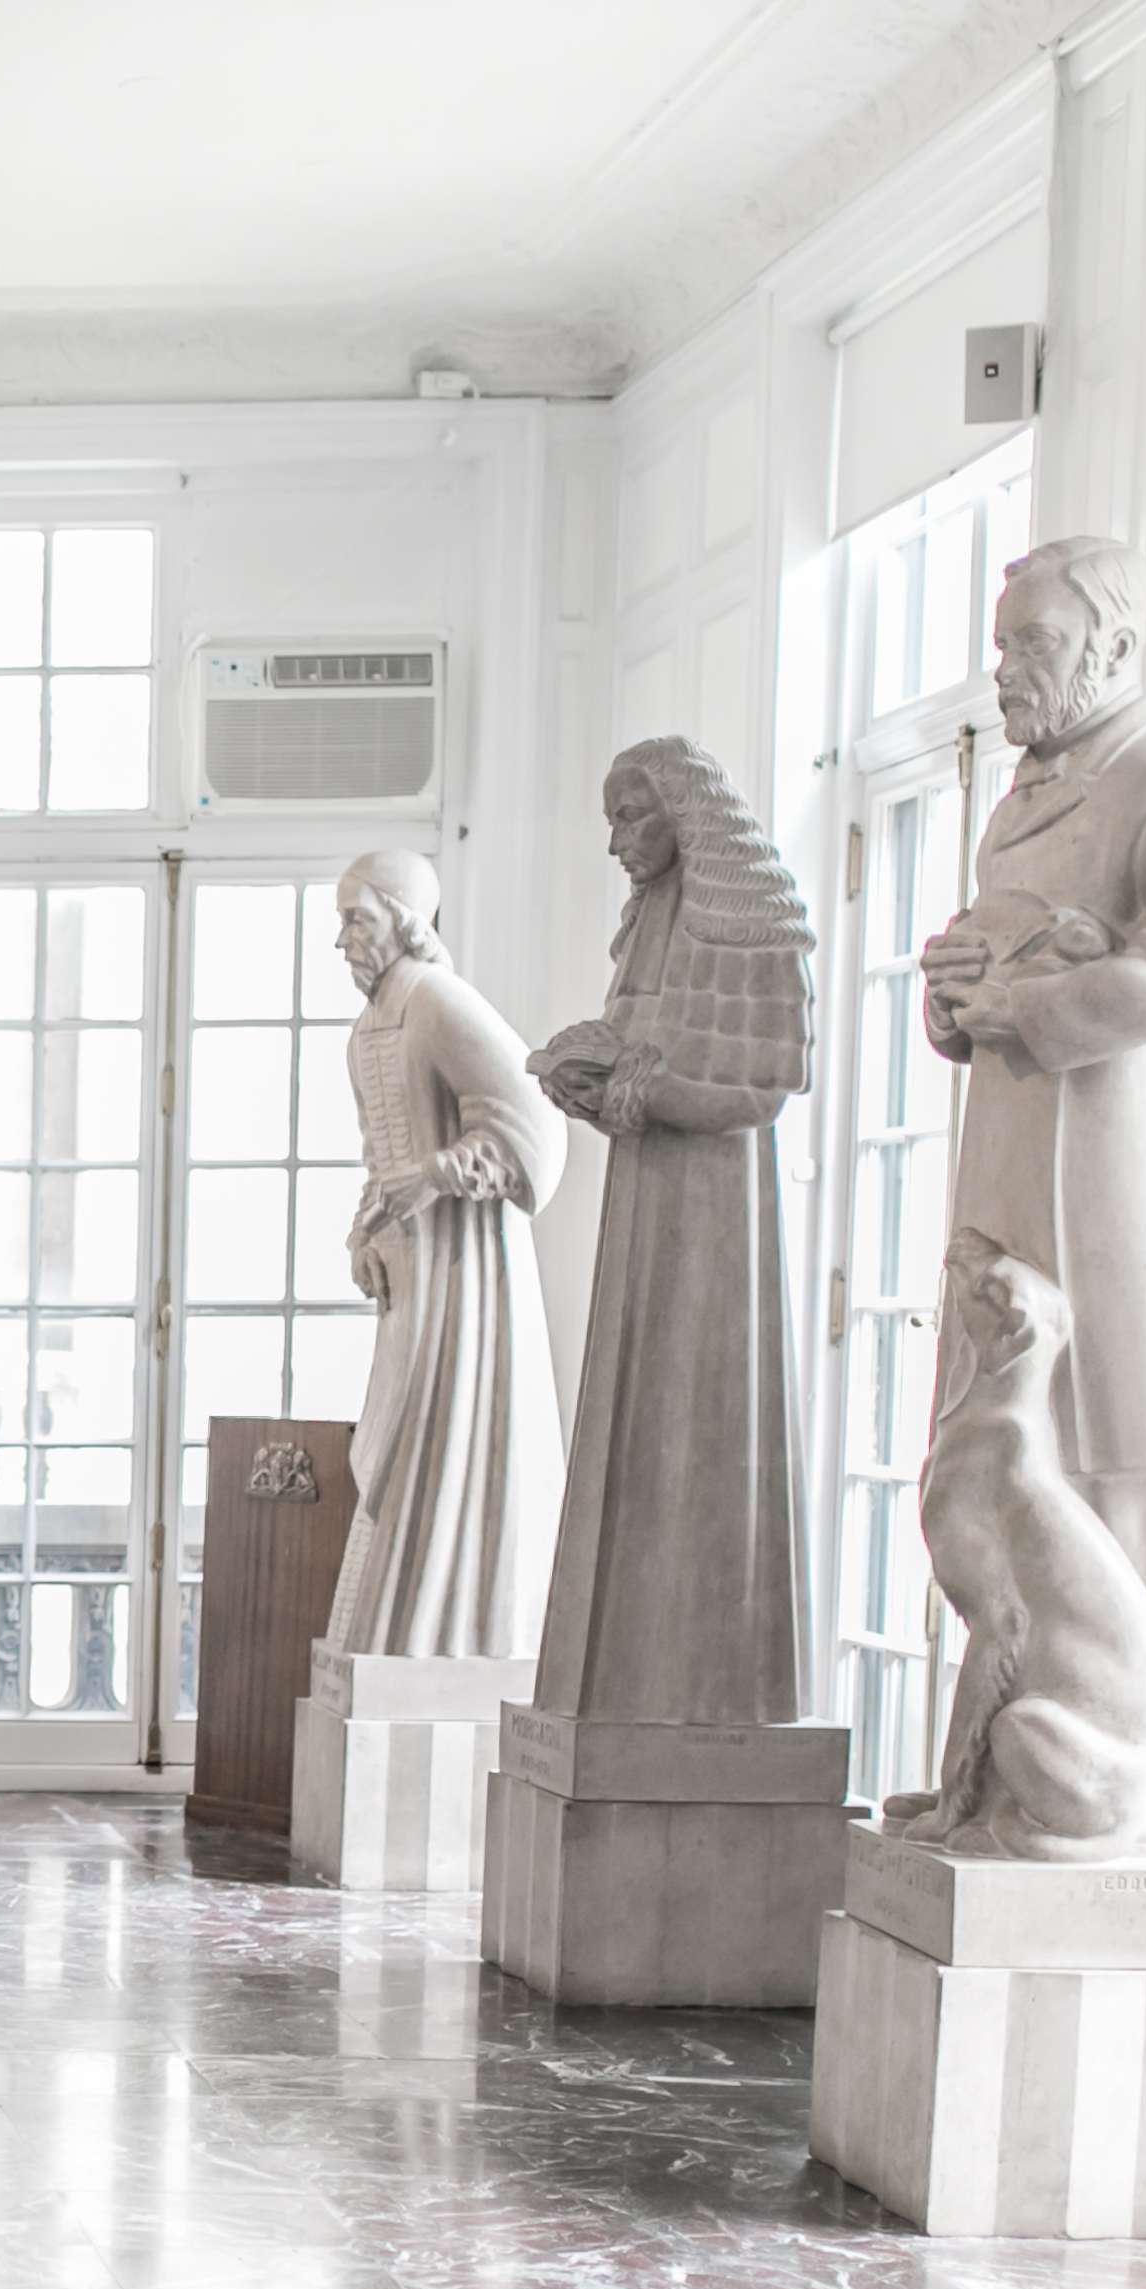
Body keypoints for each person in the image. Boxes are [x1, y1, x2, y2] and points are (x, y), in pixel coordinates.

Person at [907, 536, 1146, 1845]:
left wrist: (1017, 997)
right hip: (1008, 1140)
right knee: (1022, 1459)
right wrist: (956, 997)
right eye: (1001, 645)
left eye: (1030, 648)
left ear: (1112, 650)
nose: (1002, 671)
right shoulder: (1024, 796)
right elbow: (995, 957)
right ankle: (1008, 1764)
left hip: (1117, 1162)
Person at [526, 737, 816, 1725]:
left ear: (686, 817)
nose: (616, 841)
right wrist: (596, 1076)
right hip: (646, 1203)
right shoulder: (652, 913)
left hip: (713, 1218)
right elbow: (651, 1049)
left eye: (629, 816)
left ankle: (690, 1689)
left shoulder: (751, 921)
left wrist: (640, 1087)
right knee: (633, 1426)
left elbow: (760, 1083)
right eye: (611, 817)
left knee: (699, 1426)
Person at [320, 850, 567, 1660]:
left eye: (356, 918)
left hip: (467, 1279)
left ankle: (442, 1636)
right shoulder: (371, 1031)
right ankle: (395, 1631)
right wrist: (368, 1230)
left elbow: (533, 1122)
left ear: (401, 917)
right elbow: (378, 1152)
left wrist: (436, 1176)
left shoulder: (437, 1004)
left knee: (453, 1439)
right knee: (398, 1448)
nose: (342, 939)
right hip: (413, 1280)